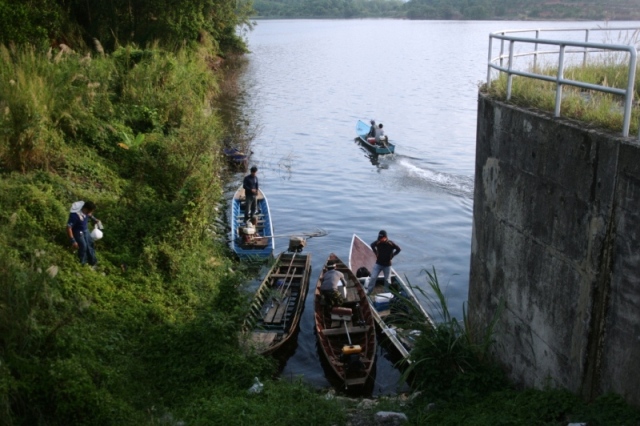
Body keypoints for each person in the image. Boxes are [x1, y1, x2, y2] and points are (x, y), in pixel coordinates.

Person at [66, 201, 101, 267]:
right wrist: (73, 241)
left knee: (90, 244)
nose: (90, 213)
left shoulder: (86, 211)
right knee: (83, 247)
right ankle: (83, 263)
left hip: (85, 230)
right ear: (86, 209)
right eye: (90, 211)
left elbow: (89, 215)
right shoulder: (75, 215)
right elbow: (68, 228)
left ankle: (93, 261)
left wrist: (94, 219)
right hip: (77, 232)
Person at [368, 230, 401, 294]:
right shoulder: (378, 242)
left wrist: (392, 255)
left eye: (381, 238)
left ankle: (387, 293)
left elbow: (398, 249)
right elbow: (372, 245)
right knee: (373, 277)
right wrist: (376, 253)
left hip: (387, 265)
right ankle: (369, 291)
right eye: (379, 238)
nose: (380, 240)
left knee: (387, 280)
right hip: (378, 264)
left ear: (385, 237)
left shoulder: (391, 244)